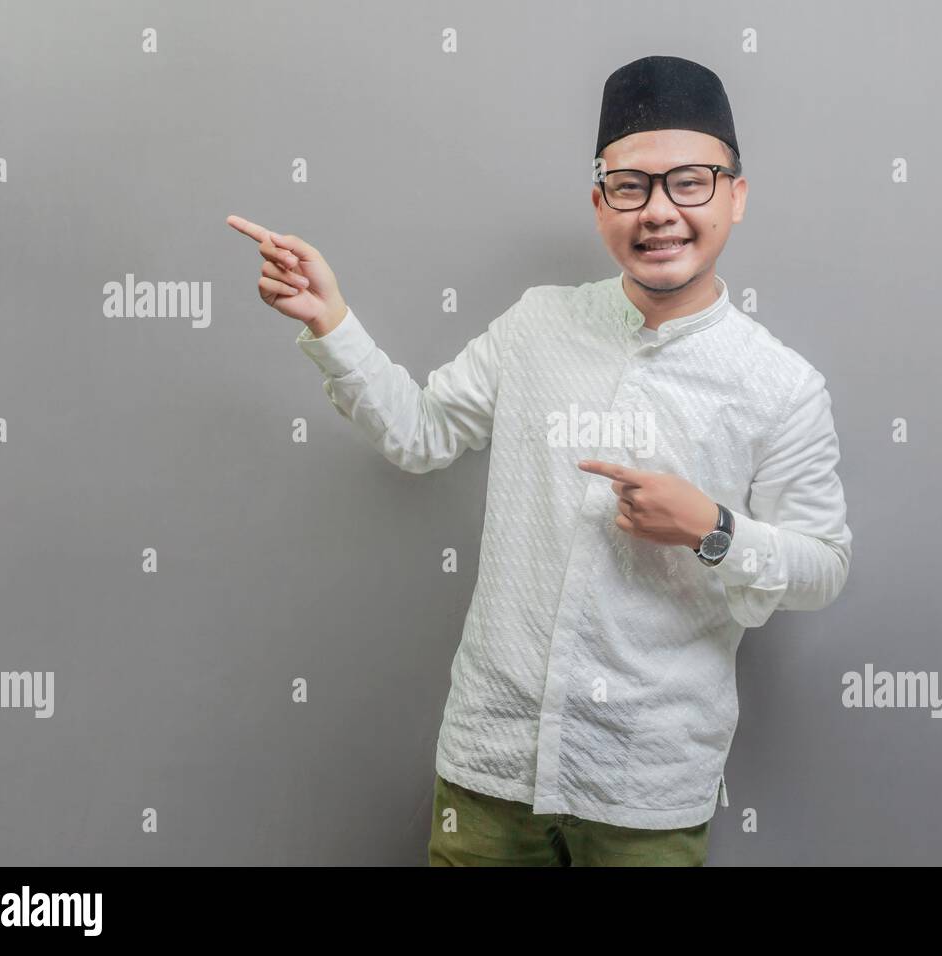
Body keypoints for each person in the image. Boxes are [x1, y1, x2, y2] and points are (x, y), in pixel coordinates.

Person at [225, 54, 852, 866]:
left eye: (690, 181)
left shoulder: (782, 385)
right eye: (631, 186)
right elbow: (421, 434)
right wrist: (332, 321)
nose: (659, 211)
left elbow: (824, 564)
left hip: (647, 788)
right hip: (491, 768)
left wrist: (715, 529)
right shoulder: (537, 326)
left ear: (736, 193)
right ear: (600, 204)